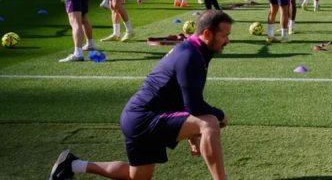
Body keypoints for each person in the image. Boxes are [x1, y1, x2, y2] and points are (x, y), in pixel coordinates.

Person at [49, 10, 233, 180]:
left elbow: (182, 97)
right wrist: (220, 115)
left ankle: (73, 165)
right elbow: (194, 106)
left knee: (137, 176)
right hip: (144, 117)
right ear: (207, 34)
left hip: (137, 117)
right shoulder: (190, 56)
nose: (227, 41)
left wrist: (193, 135)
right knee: (209, 122)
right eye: (224, 36)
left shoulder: (195, 50)